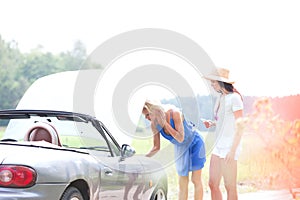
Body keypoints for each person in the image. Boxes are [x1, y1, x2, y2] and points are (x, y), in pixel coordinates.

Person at [142, 100, 206, 200]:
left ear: (155, 111)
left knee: (195, 179)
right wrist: (143, 158)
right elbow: (156, 147)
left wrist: (165, 124)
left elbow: (180, 137)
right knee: (182, 182)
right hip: (181, 148)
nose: (147, 118)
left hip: (195, 143)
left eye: (147, 115)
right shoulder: (154, 125)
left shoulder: (175, 113)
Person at [202, 67, 244, 200]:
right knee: (213, 183)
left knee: (229, 185)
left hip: (230, 147)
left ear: (221, 82)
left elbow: (240, 126)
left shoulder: (235, 98)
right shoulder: (220, 98)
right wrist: (212, 123)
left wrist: (232, 151)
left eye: (213, 82)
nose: (211, 85)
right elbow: (224, 121)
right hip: (218, 145)